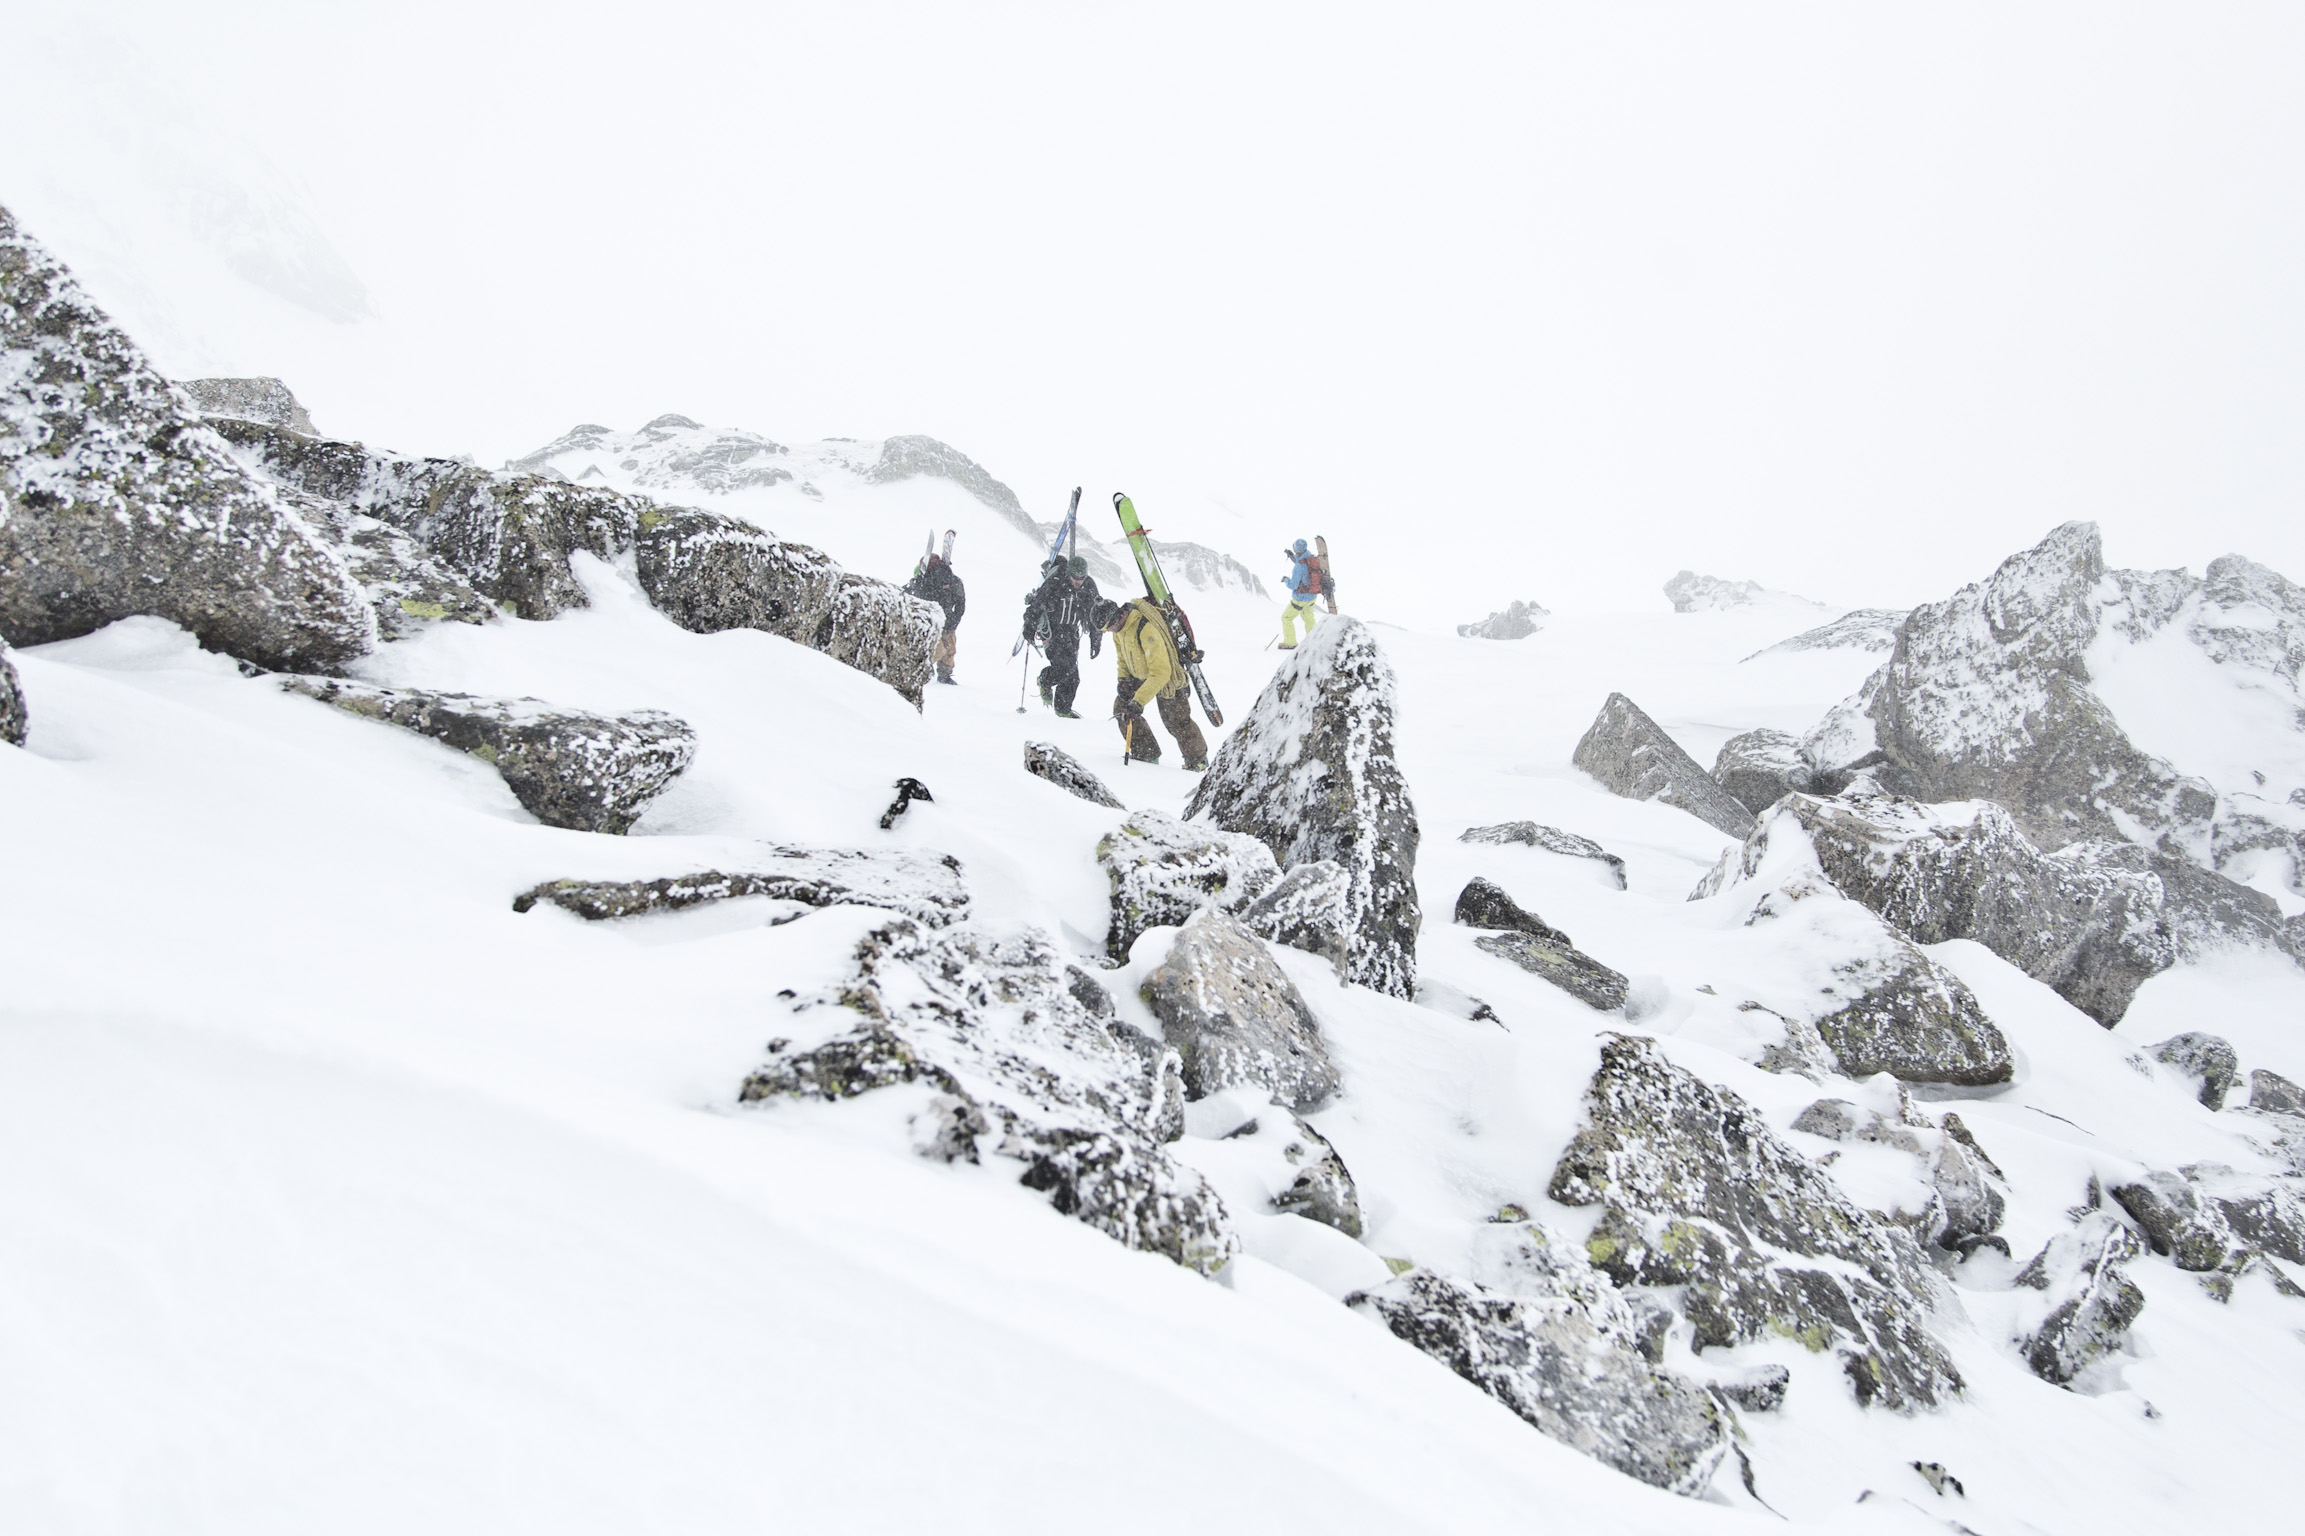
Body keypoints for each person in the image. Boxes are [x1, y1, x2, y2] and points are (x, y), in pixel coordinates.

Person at [1102, 596, 1208, 770]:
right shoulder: (1118, 632)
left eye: (1107, 627)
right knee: (1123, 710)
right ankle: (1146, 754)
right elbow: (1122, 659)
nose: (1108, 631)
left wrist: (1138, 701)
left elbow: (1161, 673)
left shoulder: (1146, 629)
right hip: (1140, 675)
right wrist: (1123, 680)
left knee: (1177, 721)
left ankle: (1198, 761)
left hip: (1167, 678)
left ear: (1118, 616)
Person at [1022, 555, 1102, 717]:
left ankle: (1062, 710)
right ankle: (1046, 681)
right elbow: (1037, 605)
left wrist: (1096, 639)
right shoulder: (1056, 582)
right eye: (1075, 577)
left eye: (1082, 577)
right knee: (1065, 670)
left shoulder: (1089, 586)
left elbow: (1096, 614)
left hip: (1072, 633)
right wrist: (1029, 628)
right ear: (1068, 574)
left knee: (1073, 677)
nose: (1078, 581)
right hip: (1052, 631)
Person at [905, 552, 966, 684]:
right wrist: (955, 619)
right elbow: (961, 602)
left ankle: (929, 668)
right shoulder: (952, 579)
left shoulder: (923, 580)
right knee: (947, 649)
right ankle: (939, 672)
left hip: (933, 620)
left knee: (941, 648)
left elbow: (908, 594)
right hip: (943, 619)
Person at [1280, 538, 1323, 649]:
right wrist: (1292, 557)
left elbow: (1293, 585)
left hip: (1301, 598)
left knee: (1286, 617)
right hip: (1311, 597)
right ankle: (1313, 642)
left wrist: (1285, 579)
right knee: (1308, 618)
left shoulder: (1299, 567)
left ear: (1296, 549)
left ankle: (1290, 643)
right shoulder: (1310, 558)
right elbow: (1304, 566)